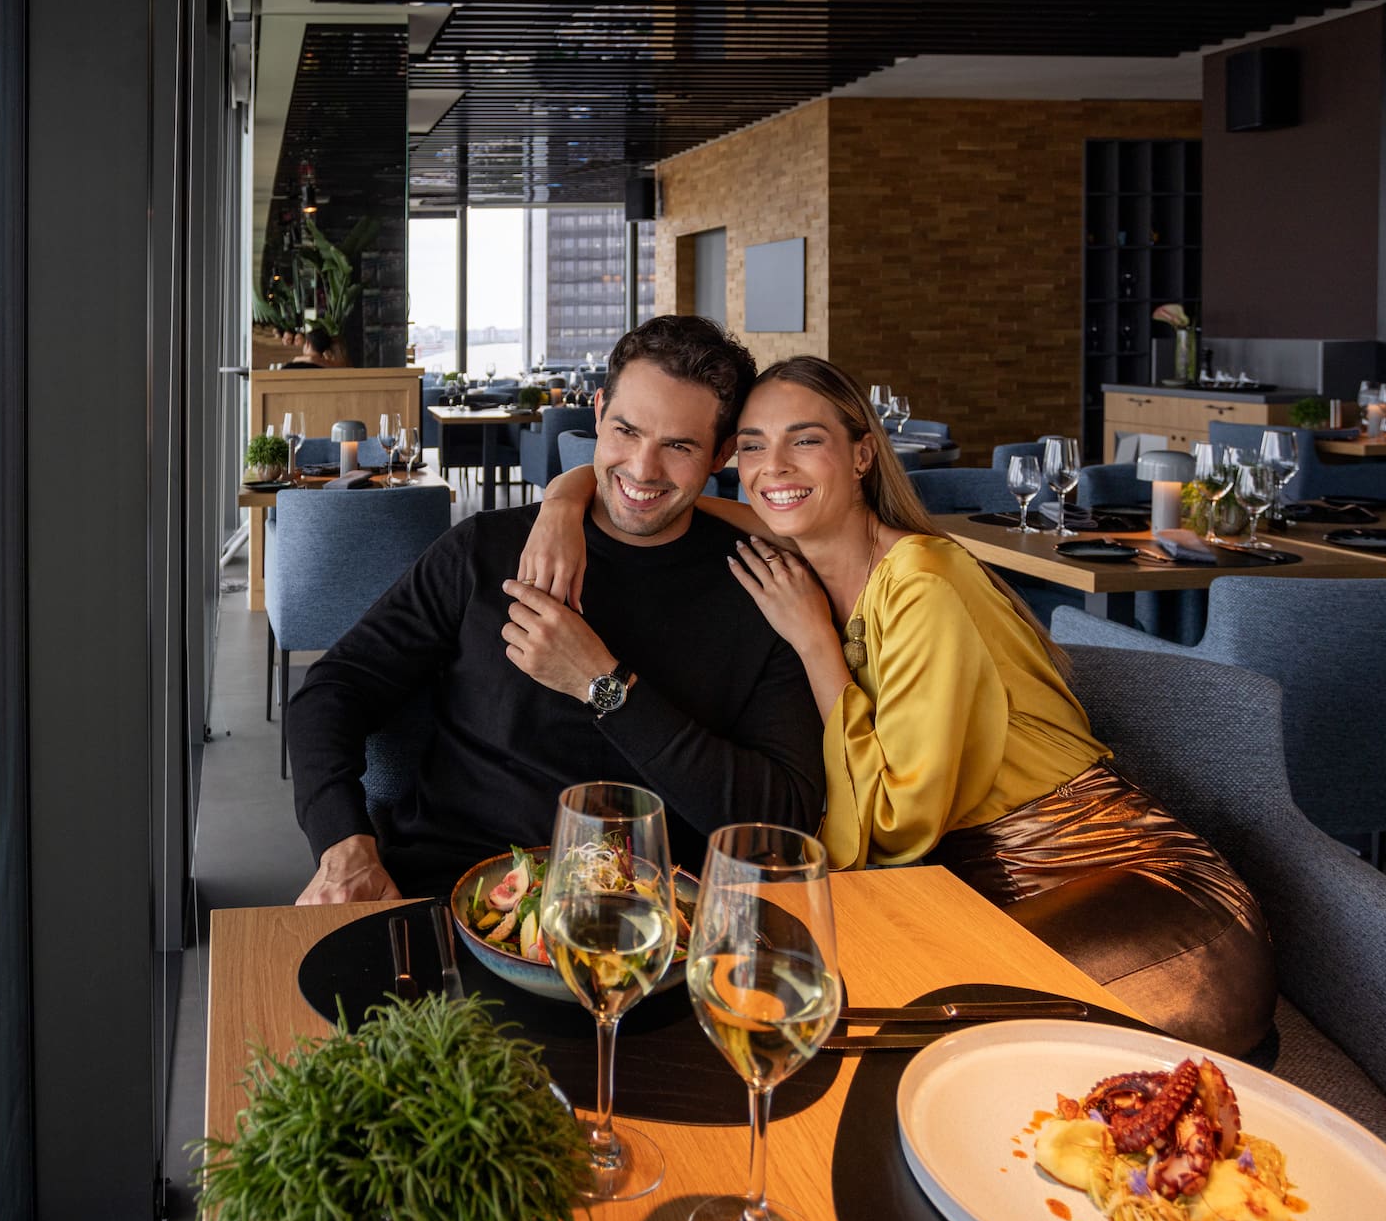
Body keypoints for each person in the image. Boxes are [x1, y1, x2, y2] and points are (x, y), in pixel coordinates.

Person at [521, 356, 1274, 1054]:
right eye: (751, 447)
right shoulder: (796, 553)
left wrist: (818, 645)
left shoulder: (920, 581)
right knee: (772, 1002)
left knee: (888, 1031)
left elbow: (894, 827)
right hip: (970, 892)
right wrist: (561, 498)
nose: (773, 468)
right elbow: (658, 500)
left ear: (860, 454)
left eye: (803, 440)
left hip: (1129, 889)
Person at [289, 316, 824, 905]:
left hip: (661, 922)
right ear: (597, 413)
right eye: (626, 430)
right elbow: (334, 688)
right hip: (454, 894)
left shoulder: (764, 586)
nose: (643, 470)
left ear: (722, 452)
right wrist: (344, 844)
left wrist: (605, 686)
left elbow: (783, 818)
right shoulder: (483, 551)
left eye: (679, 446)